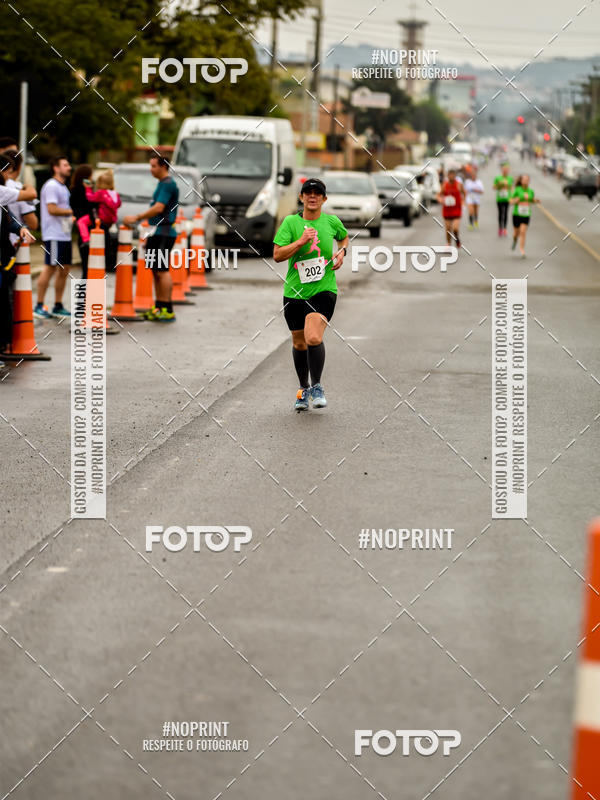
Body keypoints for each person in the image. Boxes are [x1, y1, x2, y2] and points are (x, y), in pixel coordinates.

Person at [273, 177, 348, 411]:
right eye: (308, 192)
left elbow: (344, 237)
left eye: (317, 193)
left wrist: (342, 252)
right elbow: (277, 255)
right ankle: (303, 389)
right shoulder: (290, 223)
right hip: (294, 292)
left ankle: (317, 386)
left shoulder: (332, 221)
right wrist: (300, 242)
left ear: (324, 199)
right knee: (299, 343)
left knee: (313, 337)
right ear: (301, 197)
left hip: (324, 289)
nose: (312, 196)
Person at [123, 155, 178, 322]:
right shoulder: (162, 184)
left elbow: (159, 208)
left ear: (163, 167)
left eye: (154, 166)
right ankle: (159, 306)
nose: (151, 169)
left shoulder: (168, 185)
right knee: (156, 271)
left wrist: (137, 217)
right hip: (156, 232)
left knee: (162, 270)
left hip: (164, 232)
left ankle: (167, 309)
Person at [0, 155, 36, 363]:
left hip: (4, 257)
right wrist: (25, 183)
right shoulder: (2, 191)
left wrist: (20, 227)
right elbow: (30, 193)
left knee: (4, 299)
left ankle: (4, 342)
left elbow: (8, 220)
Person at [35, 156, 73, 319]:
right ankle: (39, 304)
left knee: (64, 269)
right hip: (54, 234)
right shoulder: (51, 185)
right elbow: (51, 209)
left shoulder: (63, 187)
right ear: (56, 168)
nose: (69, 167)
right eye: (65, 165)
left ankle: (57, 305)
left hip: (65, 234)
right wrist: (72, 211)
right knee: (50, 267)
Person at [85, 170, 121, 272]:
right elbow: (118, 204)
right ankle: (110, 263)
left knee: (100, 242)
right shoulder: (115, 194)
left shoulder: (101, 193)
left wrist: (88, 188)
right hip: (111, 221)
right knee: (107, 241)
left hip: (102, 220)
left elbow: (90, 198)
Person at [2, 151, 38, 246]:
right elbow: (33, 224)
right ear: (19, 167)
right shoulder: (17, 188)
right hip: (17, 243)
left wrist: (19, 228)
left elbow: (7, 215)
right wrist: (27, 186)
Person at [70, 164, 95, 279]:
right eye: (90, 176)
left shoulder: (76, 190)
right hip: (88, 232)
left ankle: (83, 296)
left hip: (84, 234)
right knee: (90, 268)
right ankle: (87, 295)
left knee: (87, 268)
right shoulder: (82, 191)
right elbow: (89, 208)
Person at [510, 174, 541, 258]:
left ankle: (522, 250)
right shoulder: (517, 190)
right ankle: (515, 240)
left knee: (523, 232)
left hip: (526, 214)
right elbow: (511, 201)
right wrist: (518, 199)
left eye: (527, 180)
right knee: (516, 233)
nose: (526, 181)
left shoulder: (530, 191)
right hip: (517, 214)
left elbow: (532, 200)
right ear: (521, 181)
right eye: (524, 179)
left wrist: (536, 200)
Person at [437, 168, 465, 248]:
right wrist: (440, 200)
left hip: (456, 209)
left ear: (455, 176)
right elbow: (438, 195)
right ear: (448, 176)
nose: (451, 176)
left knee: (455, 228)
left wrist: (463, 201)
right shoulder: (445, 185)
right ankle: (448, 244)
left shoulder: (459, 184)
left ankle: (457, 239)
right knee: (448, 229)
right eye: (450, 175)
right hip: (447, 210)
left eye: (453, 175)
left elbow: (464, 193)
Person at [493, 162, 514, 237]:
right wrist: (500, 184)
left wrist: (512, 197)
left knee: (505, 213)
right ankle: (500, 228)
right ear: (502, 170)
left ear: (508, 170)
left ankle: (505, 228)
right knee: (500, 213)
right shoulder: (498, 178)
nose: (505, 171)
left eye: (506, 169)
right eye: (504, 169)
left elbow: (511, 188)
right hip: (499, 198)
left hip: (507, 198)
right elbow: (494, 187)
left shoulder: (510, 178)